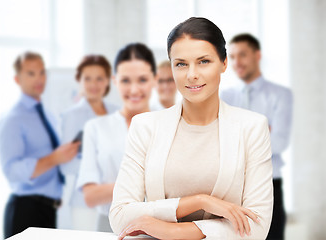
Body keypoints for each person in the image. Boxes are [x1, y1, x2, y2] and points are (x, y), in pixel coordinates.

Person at [110, 17, 273, 240]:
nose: (191, 74)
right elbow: (120, 217)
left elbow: (257, 226)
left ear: (224, 63)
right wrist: (201, 201)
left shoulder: (252, 127)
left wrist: (172, 230)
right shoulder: (145, 126)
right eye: (181, 64)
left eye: (204, 61)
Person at [0, 52, 80, 238]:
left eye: (42, 72)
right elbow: (11, 170)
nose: (39, 79)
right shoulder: (12, 119)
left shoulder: (48, 115)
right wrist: (54, 159)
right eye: (31, 73)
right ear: (17, 79)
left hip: (49, 210)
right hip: (25, 210)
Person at [76, 43, 157, 232]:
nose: (134, 89)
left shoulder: (170, 123)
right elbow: (90, 196)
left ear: (155, 79)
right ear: (114, 81)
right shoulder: (96, 128)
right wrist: (143, 183)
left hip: (160, 225)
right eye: (126, 81)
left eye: (143, 80)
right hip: (109, 226)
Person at [221, 33, 293, 240]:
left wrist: (238, 136)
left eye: (242, 55)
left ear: (257, 55)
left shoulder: (281, 95)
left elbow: (279, 142)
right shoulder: (225, 97)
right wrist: (261, 132)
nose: (237, 62)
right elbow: (220, 142)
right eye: (232, 56)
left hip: (269, 185)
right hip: (233, 188)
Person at [60, 55, 118, 230]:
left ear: (108, 81)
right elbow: (66, 165)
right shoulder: (71, 116)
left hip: (117, 199)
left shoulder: (117, 113)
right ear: (79, 81)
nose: (94, 84)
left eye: (99, 78)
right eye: (88, 79)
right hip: (86, 204)